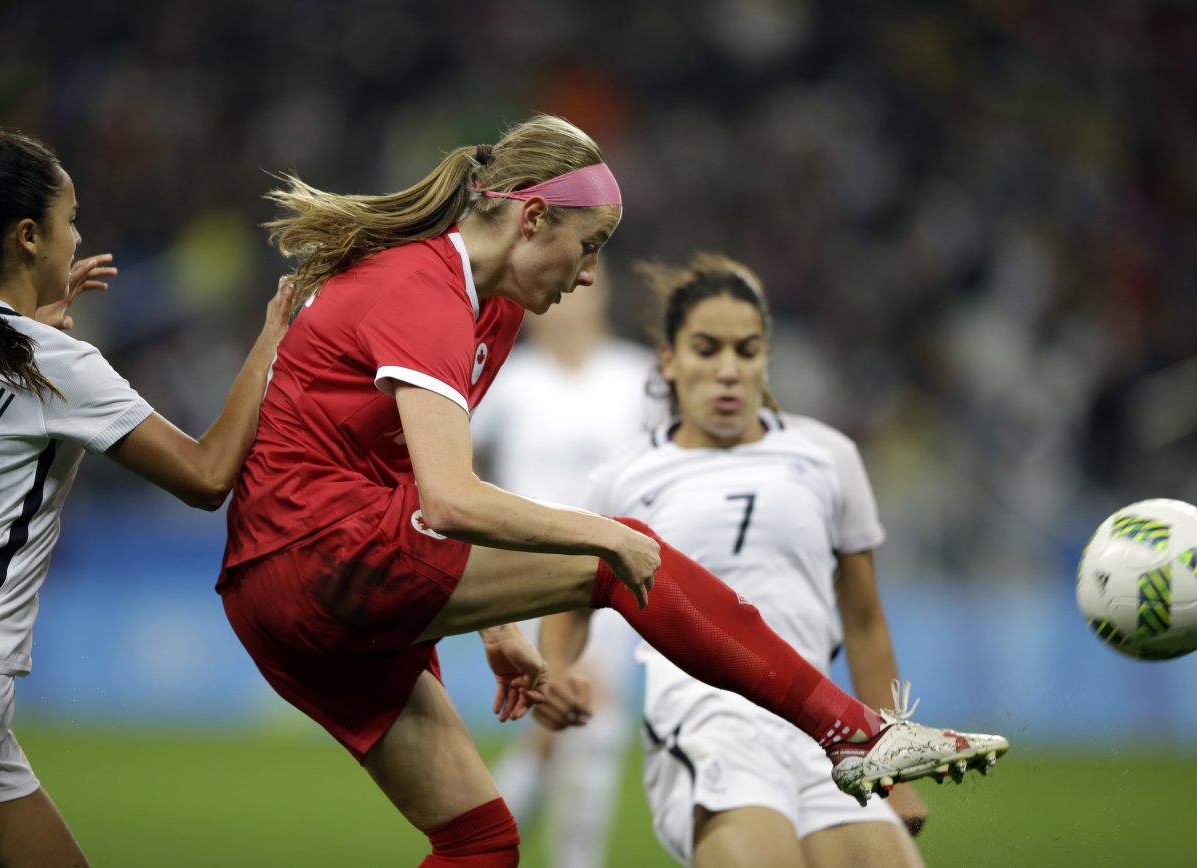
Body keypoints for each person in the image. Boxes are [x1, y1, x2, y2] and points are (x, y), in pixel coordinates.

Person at [218, 114, 1008, 867]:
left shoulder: (490, 306)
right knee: (625, 558)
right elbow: (450, 499)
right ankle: (853, 733)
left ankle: (852, 734)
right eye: (587, 246)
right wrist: (603, 534)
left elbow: (401, 466)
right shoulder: (423, 293)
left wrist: (492, 625)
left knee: (481, 843)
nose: (590, 274)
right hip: (319, 556)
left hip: (280, 584)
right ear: (530, 221)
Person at [0, 129, 293, 868]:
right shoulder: (54, 364)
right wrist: (271, 340)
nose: (80, 236)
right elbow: (208, 474)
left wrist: (28, 364)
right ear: (29, 237)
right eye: (71, 218)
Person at [537, 253, 930, 867]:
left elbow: (864, 622)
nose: (727, 370)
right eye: (706, 349)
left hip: (823, 736)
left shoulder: (828, 458)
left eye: (746, 351)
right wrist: (555, 667)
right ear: (668, 359)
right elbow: (570, 597)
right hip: (705, 727)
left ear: (765, 359)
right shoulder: (623, 477)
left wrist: (895, 769)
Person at [471, 268, 657, 868]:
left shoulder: (639, 378)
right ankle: (502, 846)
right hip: (525, 579)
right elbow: (455, 462)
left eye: (590, 290)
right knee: (561, 721)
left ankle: (492, 844)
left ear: (605, 296)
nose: (575, 306)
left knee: (584, 726)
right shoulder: (510, 382)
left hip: (614, 577)